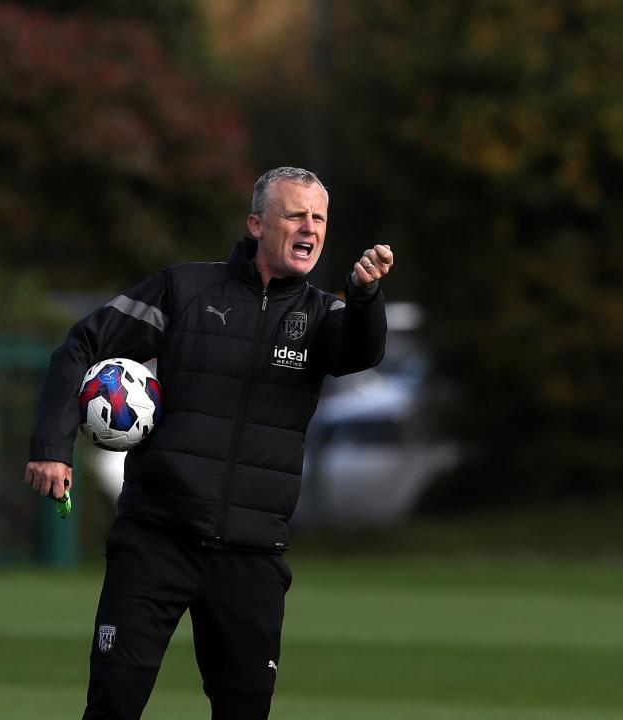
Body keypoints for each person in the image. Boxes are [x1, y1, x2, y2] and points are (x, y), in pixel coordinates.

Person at [24, 166, 394, 719]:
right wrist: (53, 447)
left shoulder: (325, 316)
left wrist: (365, 296)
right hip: (156, 540)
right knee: (112, 706)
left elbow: (360, 351)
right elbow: (80, 345)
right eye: (295, 214)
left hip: (251, 555)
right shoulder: (184, 290)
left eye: (319, 218)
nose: (310, 227)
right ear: (256, 224)